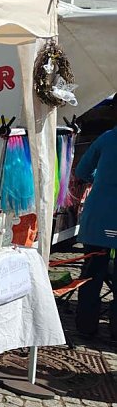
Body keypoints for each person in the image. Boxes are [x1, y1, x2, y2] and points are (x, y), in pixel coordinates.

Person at [74, 125, 117, 342]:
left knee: (92, 274)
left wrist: (101, 179)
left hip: (100, 217)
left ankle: (85, 326)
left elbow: (82, 171)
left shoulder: (107, 137)